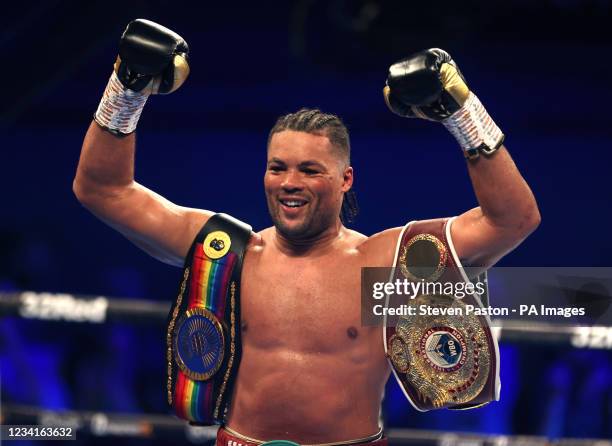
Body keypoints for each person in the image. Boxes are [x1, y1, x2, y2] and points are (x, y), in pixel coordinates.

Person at [73, 19, 540, 446]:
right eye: (278, 167)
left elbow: (513, 219)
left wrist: (461, 113)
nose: (290, 182)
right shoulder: (229, 254)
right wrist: (126, 88)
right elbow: (103, 189)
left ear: (345, 180)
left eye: (310, 170)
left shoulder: (383, 264)